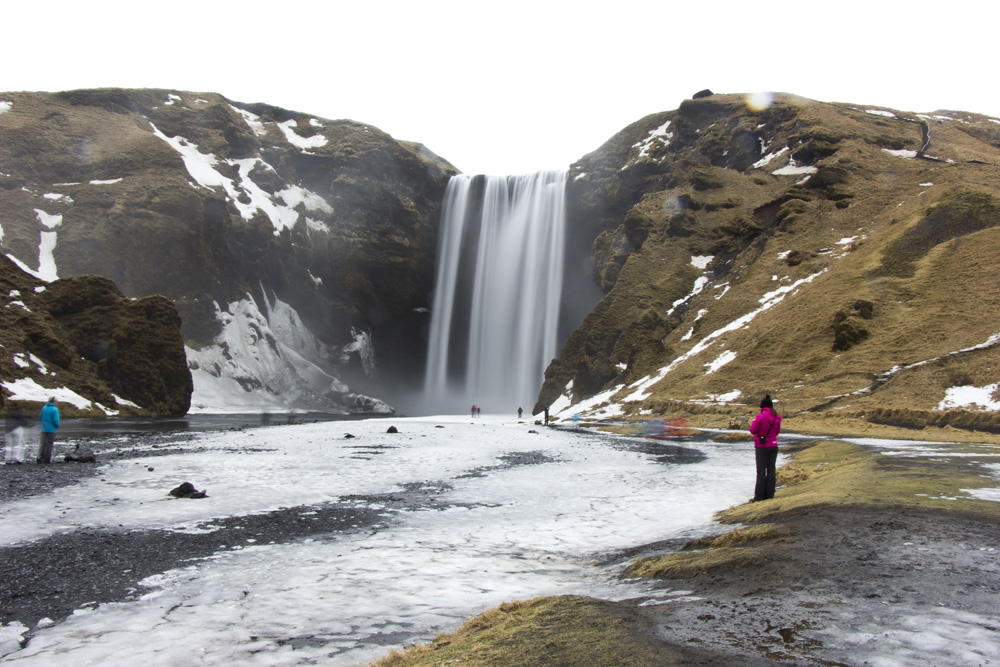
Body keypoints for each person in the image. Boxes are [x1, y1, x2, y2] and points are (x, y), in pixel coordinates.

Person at [749, 394, 781, 501]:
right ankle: (770, 494)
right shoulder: (777, 417)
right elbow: (777, 432)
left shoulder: (760, 417)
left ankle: (759, 496)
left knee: (761, 472)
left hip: (761, 447)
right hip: (773, 446)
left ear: (762, 406)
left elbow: (753, 431)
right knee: (771, 470)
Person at [38, 397, 60, 464]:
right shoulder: (55, 409)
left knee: (42, 444)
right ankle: (46, 459)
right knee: (49, 444)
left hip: (43, 429)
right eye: (56, 401)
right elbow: (55, 420)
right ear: (53, 401)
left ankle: (39, 458)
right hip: (51, 429)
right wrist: (57, 425)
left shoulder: (44, 408)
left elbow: (40, 417)